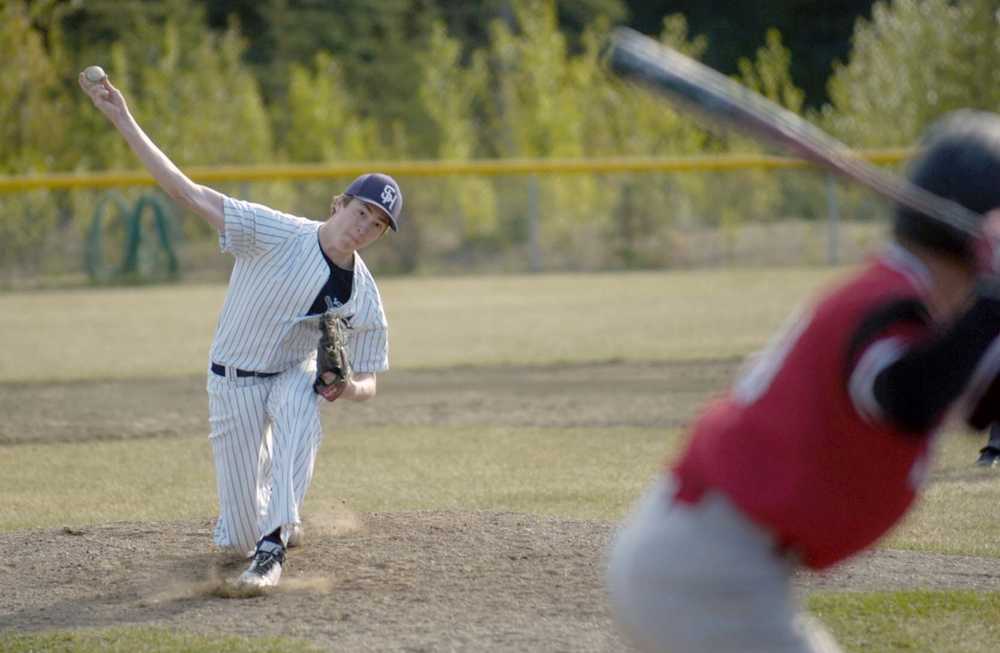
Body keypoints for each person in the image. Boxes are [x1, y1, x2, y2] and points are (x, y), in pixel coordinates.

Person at [606, 109, 1000, 653]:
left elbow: (981, 403)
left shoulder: (930, 316)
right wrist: (991, 302)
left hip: (712, 565)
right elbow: (905, 399)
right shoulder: (887, 302)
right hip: (707, 568)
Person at [80, 70, 401, 591]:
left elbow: (369, 381)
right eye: (361, 211)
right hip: (231, 382)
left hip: (289, 377)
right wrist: (121, 117)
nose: (363, 227)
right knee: (234, 539)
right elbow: (185, 193)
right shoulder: (272, 231)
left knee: (302, 401)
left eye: (377, 225)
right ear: (338, 204)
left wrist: (347, 388)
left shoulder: (362, 290)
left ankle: (273, 549)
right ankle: (269, 520)